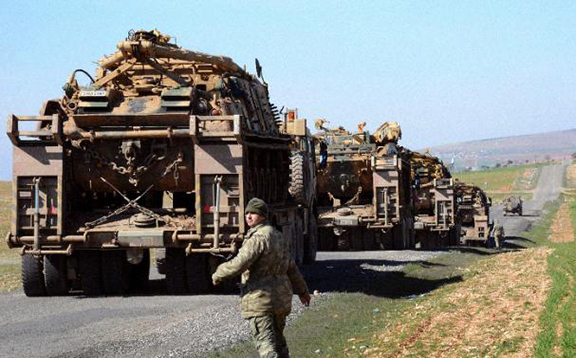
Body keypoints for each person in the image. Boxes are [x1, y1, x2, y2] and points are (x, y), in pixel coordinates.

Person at [212, 197, 311, 358]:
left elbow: (240, 263)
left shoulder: (258, 238)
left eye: (254, 213)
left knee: (266, 346)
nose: (249, 216)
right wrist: (302, 291)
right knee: (279, 343)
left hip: (260, 300)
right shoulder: (278, 236)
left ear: (263, 216)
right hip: (280, 300)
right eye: (247, 213)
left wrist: (219, 273)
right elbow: (291, 268)